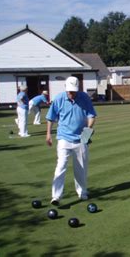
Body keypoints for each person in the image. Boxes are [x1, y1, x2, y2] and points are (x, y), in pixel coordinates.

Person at [46, 76, 97, 206]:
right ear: (65, 88)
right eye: (69, 91)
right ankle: (56, 196)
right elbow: (50, 117)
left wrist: (88, 129)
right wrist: (48, 134)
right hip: (63, 137)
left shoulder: (84, 97)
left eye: (73, 91)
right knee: (61, 166)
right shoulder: (58, 99)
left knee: (81, 167)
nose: (71, 93)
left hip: (81, 137)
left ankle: (82, 192)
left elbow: (91, 115)